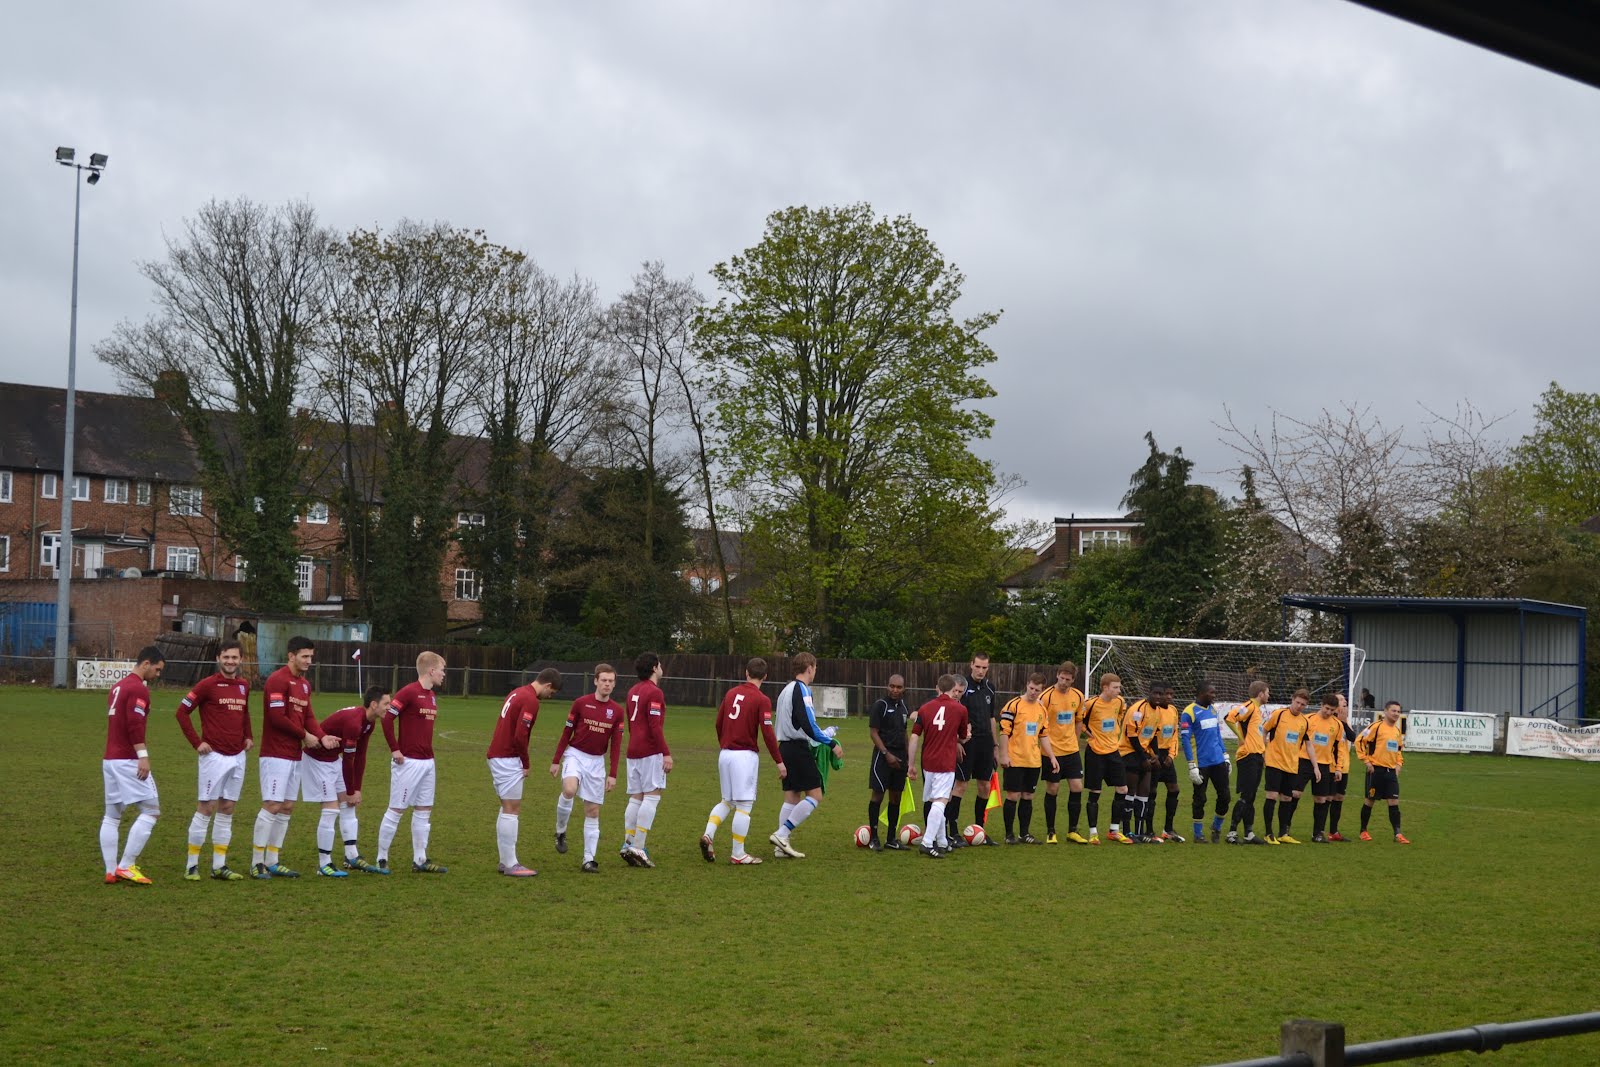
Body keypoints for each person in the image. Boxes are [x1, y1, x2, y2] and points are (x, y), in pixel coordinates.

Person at [252, 636, 336, 879]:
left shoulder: (304, 685)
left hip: (293, 754)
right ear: (291, 656)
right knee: (273, 805)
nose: (309, 661)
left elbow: (308, 716)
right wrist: (305, 736)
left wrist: (322, 736)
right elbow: (277, 718)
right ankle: (256, 862)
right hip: (275, 753)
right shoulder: (277, 681)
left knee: (287, 807)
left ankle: (273, 860)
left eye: (311, 656)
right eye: (305, 656)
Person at [174, 640, 252, 881]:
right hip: (213, 756)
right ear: (219, 658)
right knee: (206, 808)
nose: (230, 661)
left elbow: (245, 713)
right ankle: (191, 866)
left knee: (227, 808)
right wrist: (197, 743)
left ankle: (219, 865)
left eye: (234, 658)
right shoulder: (207, 685)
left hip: (238, 755)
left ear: (241, 660)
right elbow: (181, 712)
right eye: (226, 657)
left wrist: (248, 736)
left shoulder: (243, 686)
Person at [701, 658, 785, 865]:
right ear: (765, 676)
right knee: (744, 805)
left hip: (725, 754)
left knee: (727, 801)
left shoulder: (731, 693)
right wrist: (779, 761)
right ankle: (738, 853)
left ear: (746, 673)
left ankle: (708, 834)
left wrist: (725, 743)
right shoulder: (762, 699)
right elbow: (768, 733)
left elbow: (718, 723)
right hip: (744, 756)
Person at [486, 667, 562, 877]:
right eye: (552, 693)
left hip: (497, 755)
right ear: (547, 685)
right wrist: (525, 762)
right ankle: (511, 863)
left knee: (506, 807)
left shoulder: (517, 691)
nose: (550, 697)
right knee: (512, 809)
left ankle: (504, 861)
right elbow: (520, 736)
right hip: (508, 758)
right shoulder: (531, 700)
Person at [308, 686, 391, 876]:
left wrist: (356, 789)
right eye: (386, 703)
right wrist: (352, 790)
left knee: (348, 805)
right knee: (330, 809)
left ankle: (351, 856)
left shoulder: (369, 723)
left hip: (331, 759)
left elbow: (360, 756)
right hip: (316, 760)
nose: (390, 707)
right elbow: (348, 759)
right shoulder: (355, 723)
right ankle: (324, 864)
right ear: (373, 704)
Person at [100, 646, 166, 885]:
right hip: (128, 759)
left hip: (109, 759)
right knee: (151, 811)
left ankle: (110, 870)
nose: (157, 675)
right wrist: (143, 755)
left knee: (112, 816)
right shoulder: (139, 689)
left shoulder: (118, 686)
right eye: (157, 670)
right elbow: (134, 724)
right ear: (146, 663)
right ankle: (126, 865)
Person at [380, 650, 449, 874]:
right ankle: (381, 859)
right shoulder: (409, 692)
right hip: (408, 762)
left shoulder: (431, 696)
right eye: (442, 670)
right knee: (396, 809)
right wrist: (395, 750)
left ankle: (420, 859)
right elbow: (388, 718)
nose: (443, 674)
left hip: (428, 762)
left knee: (424, 810)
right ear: (431, 670)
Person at [550, 665, 624, 873]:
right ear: (596, 681)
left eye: (611, 681)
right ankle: (560, 831)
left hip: (597, 762)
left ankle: (588, 859)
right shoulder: (581, 703)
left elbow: (617, 744)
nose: (607, 684)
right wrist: (556, 760)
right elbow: (566, 732)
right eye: (604, 680)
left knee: (592, 811)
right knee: (570, 790)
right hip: (575, 754)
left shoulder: (617, 711)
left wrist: (613, 774)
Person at [770, 653, 844, 859]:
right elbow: (808, 724)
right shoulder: (802, 690)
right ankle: (782, 834)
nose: (815, 671)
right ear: (809, 667)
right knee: (815, 795)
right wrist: (830, 742)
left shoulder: (785, 690)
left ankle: (780, 847)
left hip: (784, 747)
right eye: (815, 667)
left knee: (792, 796)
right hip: (797, 748)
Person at [906, 674, 970, 858]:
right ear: (952, 689)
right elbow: (963, 736)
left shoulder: (925, 709)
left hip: (928, 762)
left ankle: (941, 841)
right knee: (941, 802)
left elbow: (914, 737)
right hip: (946, 762)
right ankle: (927, 842)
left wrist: (911, 764)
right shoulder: (960, 709)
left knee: (935, 801)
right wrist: (962, 737)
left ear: (938, 688)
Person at [621, 652, 672, 867]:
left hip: (633, 750)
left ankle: (628, 843)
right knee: (652, 796)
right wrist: (666, 753)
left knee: (636, 797)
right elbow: (654, 726)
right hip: (649, 751)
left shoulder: (633, 690)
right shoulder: (655, 692)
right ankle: (638, 848)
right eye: (659, 664)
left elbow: (632, 724)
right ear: (654, 668)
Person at [998, 673, 1054, 844]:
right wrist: (1004, 755)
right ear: (1027, 685)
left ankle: (1024, 833)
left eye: (1037, 690)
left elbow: (1043, 735)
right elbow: (1004, 732)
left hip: (1033, 761)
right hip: (1015, 759)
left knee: (1028, 796)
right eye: (1031, 688)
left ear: (1041, 690)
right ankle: (1009, 835)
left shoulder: (1042, 709)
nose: (1033, 692)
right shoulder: (1013, 705)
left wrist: (1052, 756)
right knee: (1013, 795)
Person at [950, 652, 997, 847]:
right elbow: (953, 716)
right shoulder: (962, 688)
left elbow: (992, 718)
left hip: (986, 743)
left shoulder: (990, 688)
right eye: (978, 666)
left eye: (984, 667)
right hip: (967, 743)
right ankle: (952, 830)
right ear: (971, 665)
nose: (981, 671)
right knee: (961, 784)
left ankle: (980, 830)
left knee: (985, 786)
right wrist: (957, 742)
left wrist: (995, 746)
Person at [1038, 661, 1087, 843]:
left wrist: (1074, 739)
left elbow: (1079, 720)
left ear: (1073, 680)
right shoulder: (1046, 697)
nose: (1064, 682)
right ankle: (1051, 832)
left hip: (1071, 750)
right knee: (1053, 788)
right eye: (1061, 677)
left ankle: (1072, 831)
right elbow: (1039, 723)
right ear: (1057, 675)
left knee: (1077, 787)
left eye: (1068, 679)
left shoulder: (1078, 696)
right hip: (1051, 750)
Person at [1079, 673, 1131, 843]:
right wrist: (1090, 735)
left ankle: (1114, 830)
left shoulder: (1120, 702)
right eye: (1115, 687)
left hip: (1113, 751)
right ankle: (1093, 833)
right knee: (1096, 791)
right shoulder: (1090, 704)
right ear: (1105, 688)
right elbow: (1080, 722)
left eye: (1119, 687)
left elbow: (1119, 718)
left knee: (1123, 789)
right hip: (1095, 752)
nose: (1118, 690)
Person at [1179, 681, 1231, 844]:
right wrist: (1191, 765)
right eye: (1211, 693)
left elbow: (1217, 734)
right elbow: (1186, 740)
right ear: (1201, 693)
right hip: (1200, 764)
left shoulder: (1213, 710)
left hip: (1217, 761)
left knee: (1225, 797)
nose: (1214, 696)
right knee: (1200, 798)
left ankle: (1216, 826)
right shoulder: (1189, 712)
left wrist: (1225, 755)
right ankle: (1198, 834)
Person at [1261, 688, 1315, 845]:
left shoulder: (1305, 722)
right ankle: (1268, 833)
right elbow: (1263, 731)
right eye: (1297, 702)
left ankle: (1283, 833)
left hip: (1292, 765)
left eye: (1303, 704)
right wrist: (1263, 752)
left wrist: (1315, 766)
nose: (1299, 706)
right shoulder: (1279, 714)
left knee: (1286, 798)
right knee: (1271, 796)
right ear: (1292, 699)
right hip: (1274, 762)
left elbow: (1309, 744)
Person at [865, 674, 911, 851]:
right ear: (887, 686)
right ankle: (874, 837)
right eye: (892, 686)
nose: (895, 690)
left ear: (903, 689)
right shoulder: (880, 705)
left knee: (896, 796)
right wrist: (886, 753)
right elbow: (873, 733)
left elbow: (904, 733)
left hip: (900, 758)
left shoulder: (904, 707)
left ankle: (891, 838)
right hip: (882, 758)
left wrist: (908, 757)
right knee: (878, 795)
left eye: (898, 687)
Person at [1357, 701, 1409, 843]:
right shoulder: (1376, 727)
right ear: (1385, 712)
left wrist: (1399, 764)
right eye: (1393, 711)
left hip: (1391, 772)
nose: (1396, 714)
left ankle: (1397, 834)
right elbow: (1359, 741)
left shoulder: (1397, 731)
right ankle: (1363, 831)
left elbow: (1398, 750)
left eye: (1398, 711)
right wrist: (1366, 761)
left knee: (1394, 801)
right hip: (1376, 770)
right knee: (1370, 800)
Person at [1225, 680, 1270, 844]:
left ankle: (1248, 833)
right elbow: (1229, 718)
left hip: (1257, 757)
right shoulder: (1249, 706)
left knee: (1251, 797)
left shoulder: (1257, 710)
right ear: (1261, 694)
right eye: (1267, 692)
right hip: (1248, 756)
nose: (1269, 695)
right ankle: (1231, 832)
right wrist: (1241, 737)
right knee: (1246, 796)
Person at [1118, 685, 1162, 842]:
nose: (1158, 697)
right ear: (1149, 693)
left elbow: (1154, 735)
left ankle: (1139, 832)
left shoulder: (1158, 711)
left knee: (1144, 792)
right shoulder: (1138, 710)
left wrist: (1155, 755)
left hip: (1143, 753)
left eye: (1160, 694)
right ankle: (1127, 831)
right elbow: (1132, 735)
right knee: (1130, 792)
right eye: (1156, 693)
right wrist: (1143, 759)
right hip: (1129, 752)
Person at [1145, 683, 1184, 841]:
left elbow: (1174, 734)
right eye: (1166, 694)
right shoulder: (1154, 711)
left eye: (1171, 694)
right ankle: (1149, 830)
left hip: (1167, 754)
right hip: (1154, 754)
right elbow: (1147, 736)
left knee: (1174, 790)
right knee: (1151, 792)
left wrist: (1171, 755)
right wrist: (1153, 755)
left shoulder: (1173, 710)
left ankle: (1168, 829)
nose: (1168, 697)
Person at [1306, 693, 1346, 843]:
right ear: (1321, 705)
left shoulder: (1337, 725)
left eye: (1332, 710)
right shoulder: (1309, 720)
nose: (1328, 712)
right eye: (1326, 708)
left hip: (1324, 765)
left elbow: (1339, 748)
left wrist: (1338, 768)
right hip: (1304, 761)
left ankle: (1318, 833)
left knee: (1321, 799)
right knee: (1293, 795)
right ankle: (1285, 831)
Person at [1328, 694, 1357, 841]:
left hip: (1344, 766)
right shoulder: (1329, 720)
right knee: (1326, 798)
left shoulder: (1345, 721)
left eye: (1345, 700)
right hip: (1331, 765)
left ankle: (1333, 831)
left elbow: (1353, 738)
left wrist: (1344, 722)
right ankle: (1319, 830)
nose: (1345, 701)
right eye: (1341, 700)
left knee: (1339, 798)